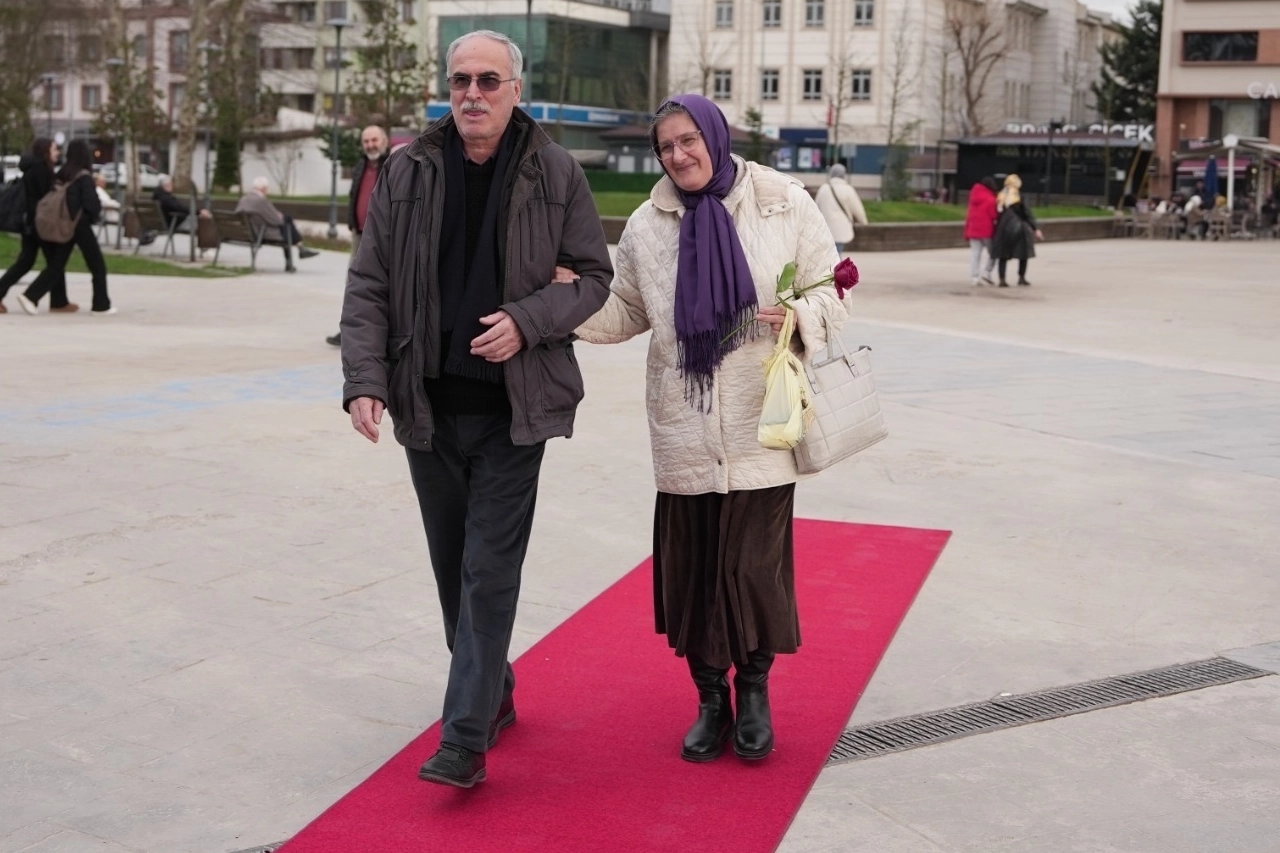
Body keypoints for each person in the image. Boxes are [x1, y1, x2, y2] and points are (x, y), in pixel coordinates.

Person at [339, 29, 612, 788]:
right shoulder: (407, 170)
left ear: (516, 90)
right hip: (426, 407)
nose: (472, 94)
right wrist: (363, 378)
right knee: (451, 567)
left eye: (488, 80)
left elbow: (595, 278)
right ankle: (493, 690)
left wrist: (528, 319)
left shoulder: (556, 171)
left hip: (512, 410)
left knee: (489, 572)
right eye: (460, 80)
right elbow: (369, 283)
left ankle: (464, 735)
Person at [574, 94, 849, 764]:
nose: (678, 155)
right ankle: (709, 700)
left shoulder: (782, 202)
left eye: (688, 140)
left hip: (763, 421)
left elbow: (830, 288)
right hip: (684, 425)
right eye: (665, 146)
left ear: (716, 137)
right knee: (694, 573)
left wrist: (797, 317)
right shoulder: (648, 223)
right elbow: (626, 309)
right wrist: (563, 303)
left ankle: (752, 693)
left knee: (751, 568)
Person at [326, 124, 390, 347]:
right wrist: (352, 222)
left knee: (381, 284)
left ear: (384, 141)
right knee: (353, 283)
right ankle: (349, 330)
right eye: (366, 141)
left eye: (374, 140)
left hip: (383, 237)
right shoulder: (360, 166)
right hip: (359, 234)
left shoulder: (392, 165)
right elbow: (355, 195)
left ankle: (380, 333)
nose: (370, 145)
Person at [0, 138, 63, 313]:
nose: (57, 152)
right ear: (45, 151)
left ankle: (60, 300)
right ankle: (58, 301)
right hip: (38, 222)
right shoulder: (40, 169)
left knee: (31, 261)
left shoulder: (33, 167)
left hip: (30, 222)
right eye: (54, 149)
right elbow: (45, 197)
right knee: (54, 261)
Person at [234, 177, 319, 272]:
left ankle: (300, 248)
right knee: (287, 223)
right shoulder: (261, 201)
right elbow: (277, 221)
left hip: (249, 232)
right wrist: (279, 215)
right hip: (262, 233)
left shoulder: (243, 199)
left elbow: (238, 214)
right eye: (267, 188)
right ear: (263, 188)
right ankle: (299, 249)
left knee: (287, 222)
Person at [990, 174, 1042, 287]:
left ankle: (1002, 279)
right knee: (1023, 253)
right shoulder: (1019, 196)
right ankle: (1021, 277)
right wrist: (1035, 228)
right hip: (1019, 227)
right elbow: (1027, 213)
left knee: (1003, 254)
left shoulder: (1000, 196)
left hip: (1003, 228)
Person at [814, 163, 867, 254]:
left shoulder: (823, 188)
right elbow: (857, 208)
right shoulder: (848, 189)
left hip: (825, 229)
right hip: (841, 228)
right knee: (837, 252)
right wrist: (864, 221)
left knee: (829, 254)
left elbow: (815, 209)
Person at [964, 176, 999, 286]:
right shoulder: (991, 199)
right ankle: (987, 272)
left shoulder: (973, 198)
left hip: (973, 229)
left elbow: (969, 214)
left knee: (975, 254)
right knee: (994, 252)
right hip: (987, 230)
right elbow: (994, 215)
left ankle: (974, 277)